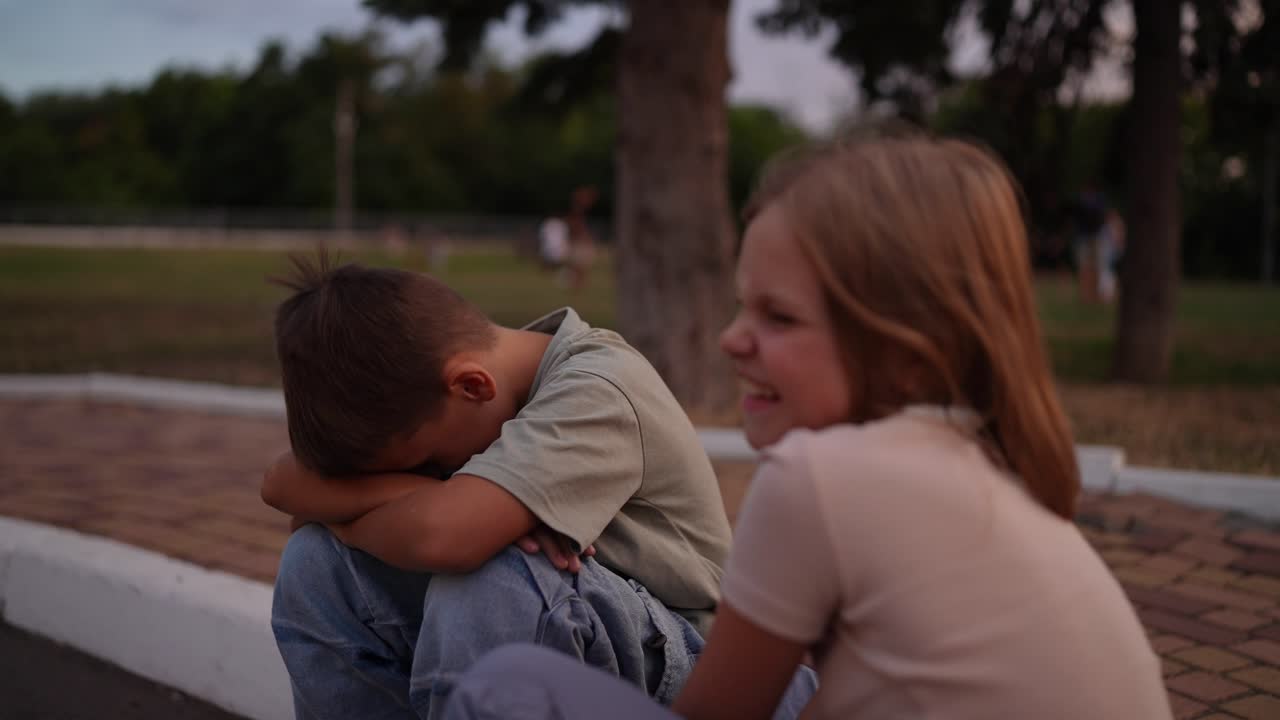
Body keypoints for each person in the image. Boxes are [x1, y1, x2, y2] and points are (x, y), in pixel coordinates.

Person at [442, 135, 1172, 720]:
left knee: (512, 685)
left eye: (779, 317)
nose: (732, 339)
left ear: (909, 357)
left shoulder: (823, 478)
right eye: (742, 306)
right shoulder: (986, 463)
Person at [260, 258, 815, 720]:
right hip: (579, 635)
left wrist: (403, 512)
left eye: (428, 463)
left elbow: (444, 536)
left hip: (695, 667)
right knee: (316, 563)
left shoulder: (600, 387)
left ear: (472, 385)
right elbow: (282, 483)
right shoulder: (464, 396)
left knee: (495, 576)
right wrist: (407, 507)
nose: (429, 475)